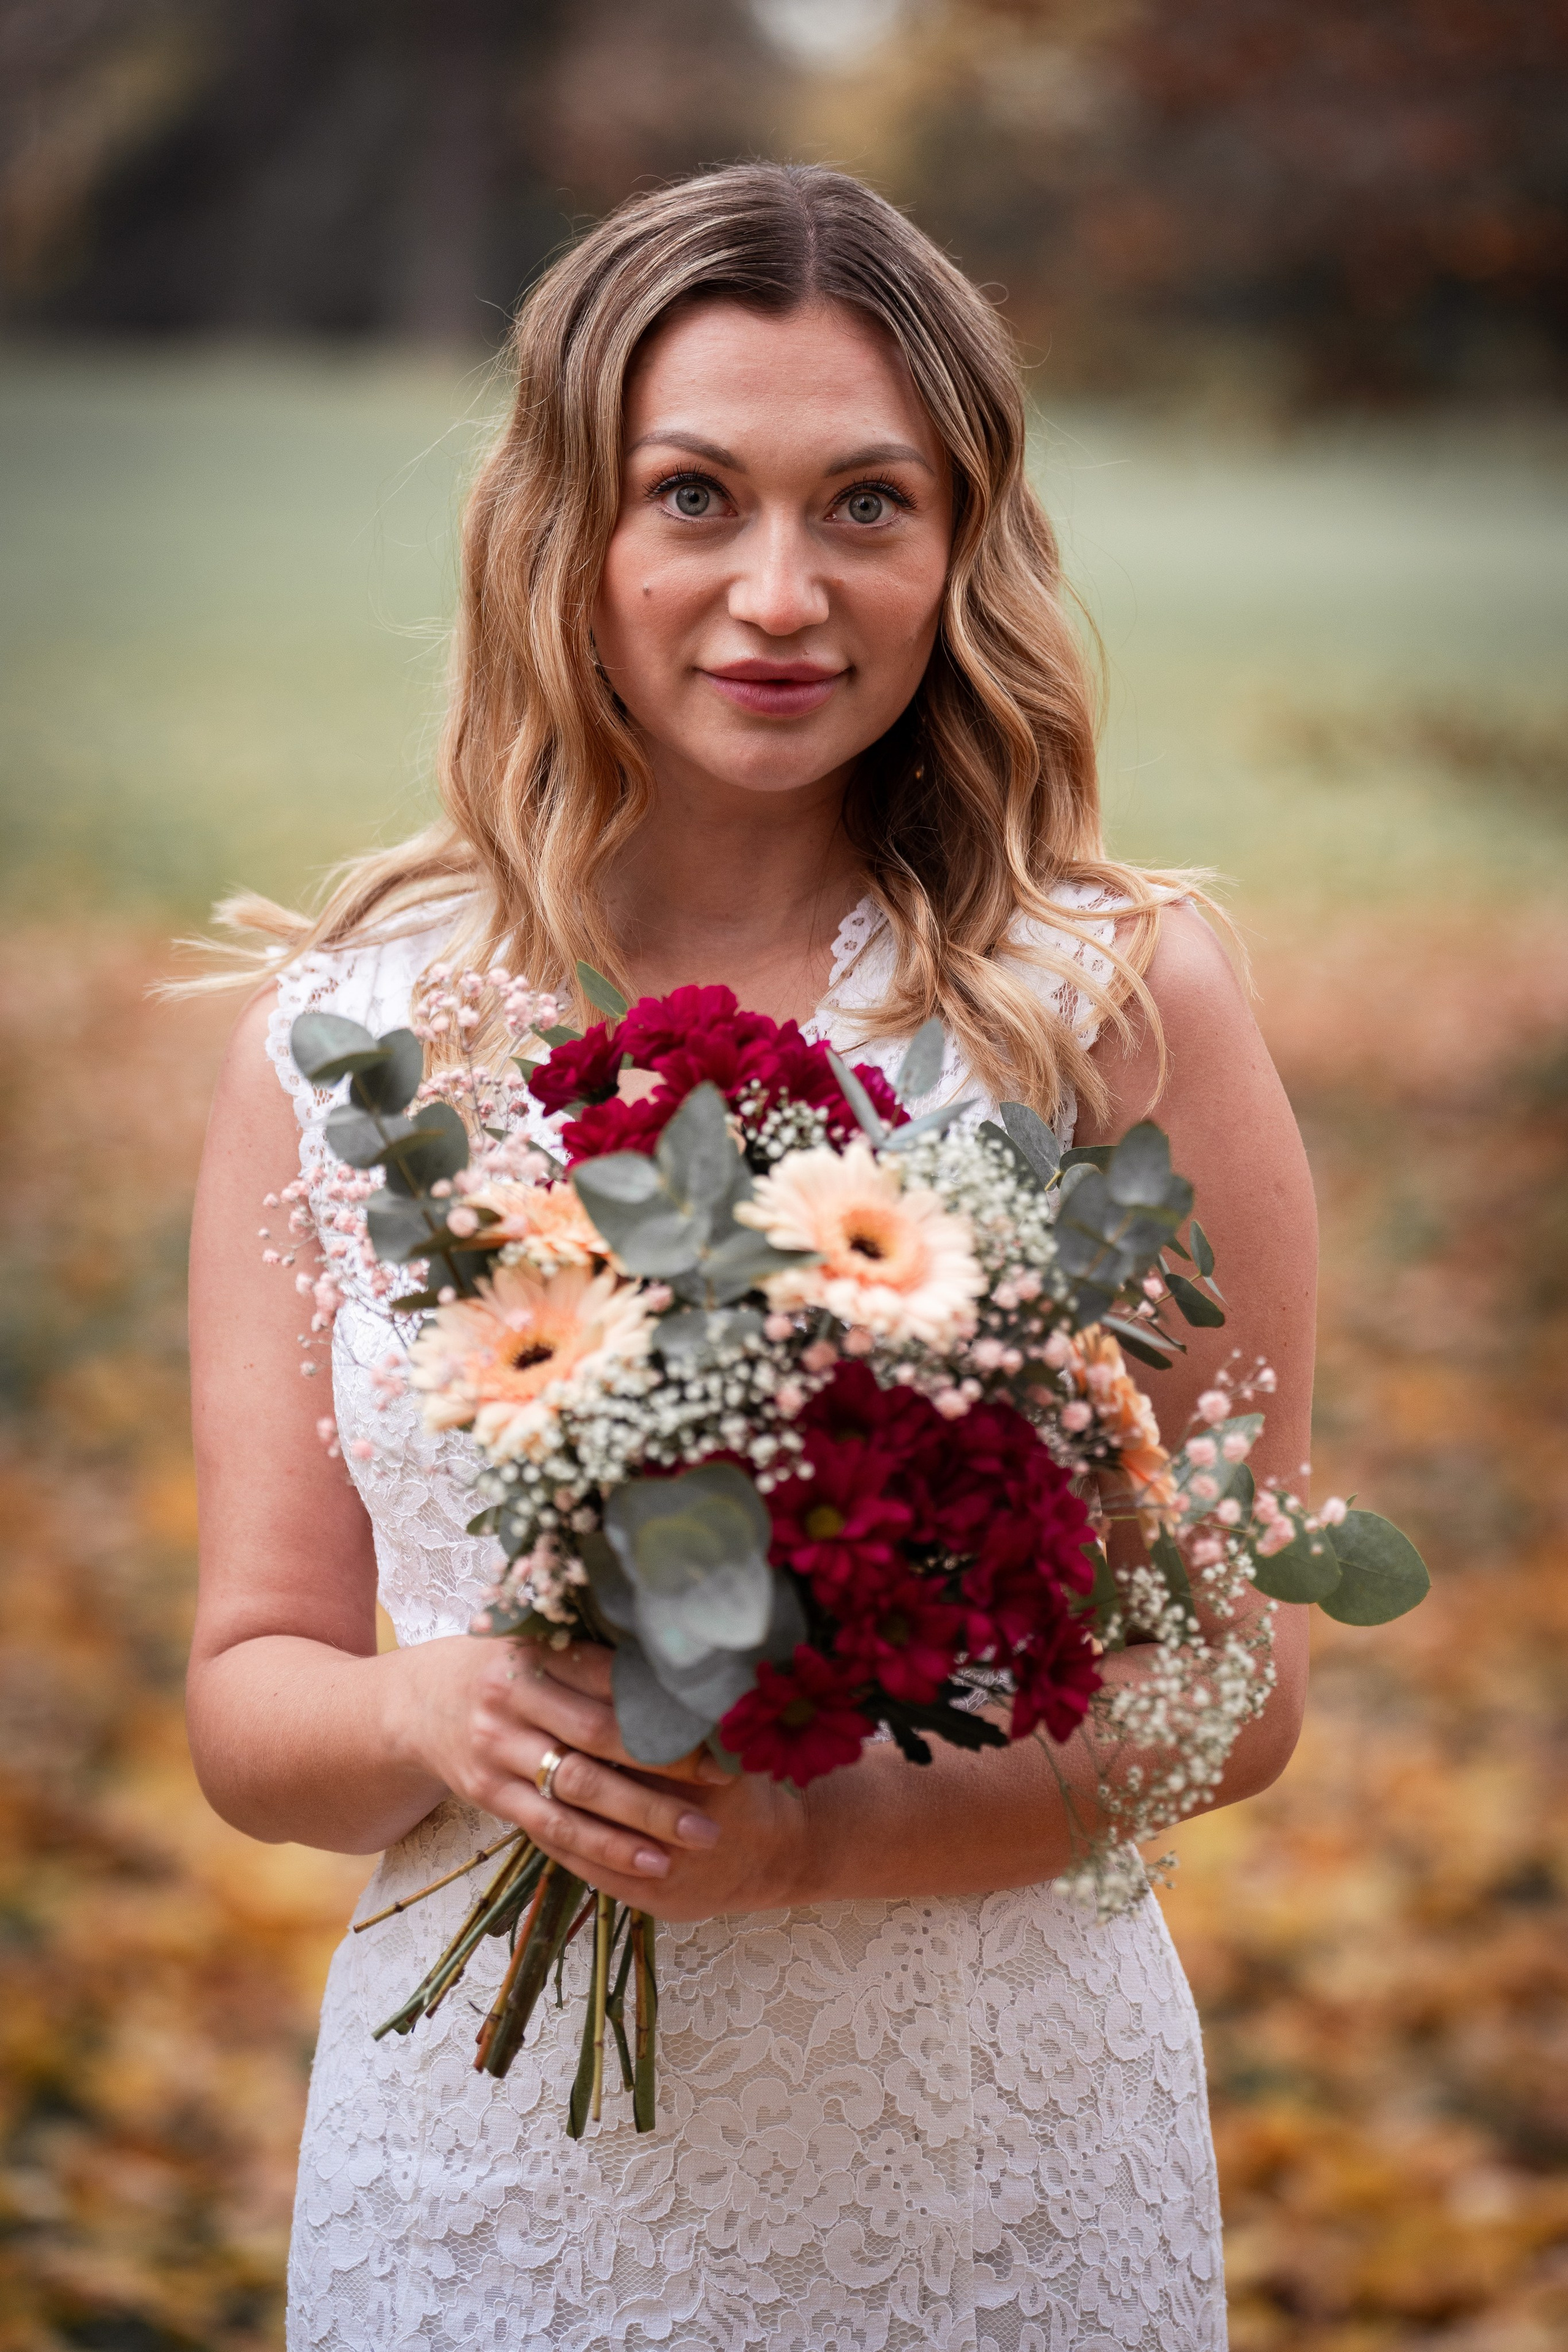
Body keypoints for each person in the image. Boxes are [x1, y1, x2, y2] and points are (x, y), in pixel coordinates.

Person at [186, 164, 1315, 2352]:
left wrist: (814, 1846)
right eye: (693, 496)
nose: (780, 593)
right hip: (487, 2197)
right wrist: (446, 1708)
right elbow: (254, 1696)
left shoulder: (1105, 1009)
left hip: (997, 2179)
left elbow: (1234, 1689)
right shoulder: (350, 1056)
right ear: (566, 537)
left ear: (960, 546)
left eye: (866, 506)